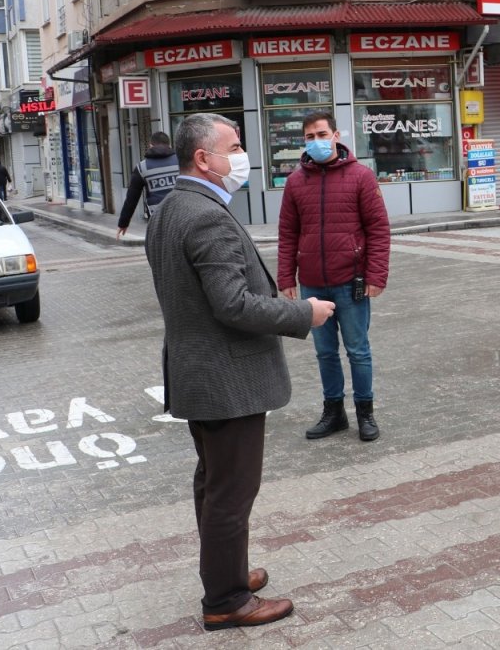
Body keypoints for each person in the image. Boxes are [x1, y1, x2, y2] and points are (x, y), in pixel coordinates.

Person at [145, 113, 335, 631]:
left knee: (213, 484)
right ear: (203, 159)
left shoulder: (170, 207)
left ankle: (225, 573)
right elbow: (233, 304)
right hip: (226, 380)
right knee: (231, 492)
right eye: (233, 146)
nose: (241, 155)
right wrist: (305, 314)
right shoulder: (204, 214)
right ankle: (226, 600)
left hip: (198, 373)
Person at [278, 112, 390, 442]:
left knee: (358, 351)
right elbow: (288, 233)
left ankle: (365, 414)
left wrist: (376, 274)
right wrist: (286, 277)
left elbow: (378, 229)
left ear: (337, 135)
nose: (316, 141)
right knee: (325, 353)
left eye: (321, 134)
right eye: (309, 136)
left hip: (351, 281)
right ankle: (334, 413)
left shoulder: (361, 177)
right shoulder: (296, 182)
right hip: (313, 284)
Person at [117, 131, 179, 238]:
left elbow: (131, 198)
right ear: (169, 145)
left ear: (150, 146)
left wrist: (123, 223)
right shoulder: (182, 162)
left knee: (159, 252)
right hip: (182, 215)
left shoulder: (142, 168)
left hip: (157, 221)